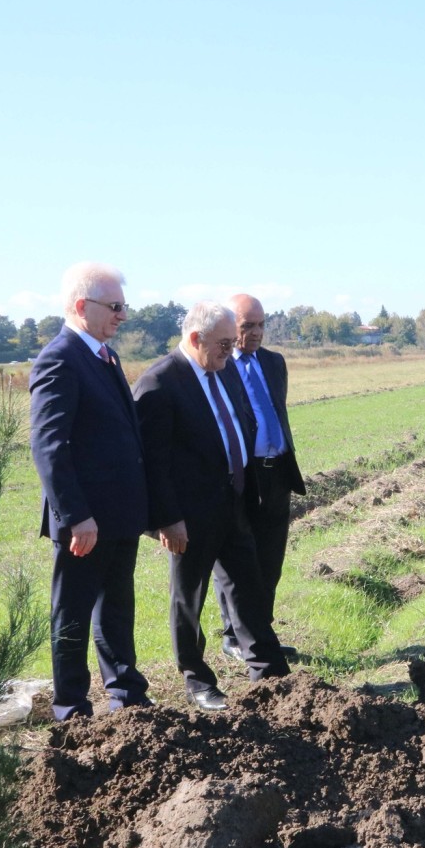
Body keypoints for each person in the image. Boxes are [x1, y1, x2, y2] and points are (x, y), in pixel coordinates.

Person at [134, 302, 291, 711]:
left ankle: (270, 674)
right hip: (188, 516)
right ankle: (196, 679)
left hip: (231, 503)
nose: (232, 349)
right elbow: (152, 462)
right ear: (195, 339)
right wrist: (168, 520)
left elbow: (239, 424)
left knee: (248, 589)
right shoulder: (160, 383)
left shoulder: (224, 371)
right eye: (224, 343)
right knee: (189, 598)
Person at [28, 262, 152, 721]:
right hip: (85, 522)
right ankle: (71, 709)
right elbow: (49, 445)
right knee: (74, 615)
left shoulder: (105, 355)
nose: (122, 315)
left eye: (124, 306)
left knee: (117, 610)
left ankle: (127, 696)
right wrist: (76, 515)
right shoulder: (60, 358)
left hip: (118, 516)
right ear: (82, 307)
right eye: (114, 306)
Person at [213, 294, 305, 661]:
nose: (256, 333)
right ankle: (234, 636)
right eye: (246, 325)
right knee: (237, 559)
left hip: (277, 472)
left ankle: (260, 633)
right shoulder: (218, 366)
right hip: (242, 476)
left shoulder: (273, 362)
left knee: (270, 558)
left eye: (261, 324)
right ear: (228, 326)